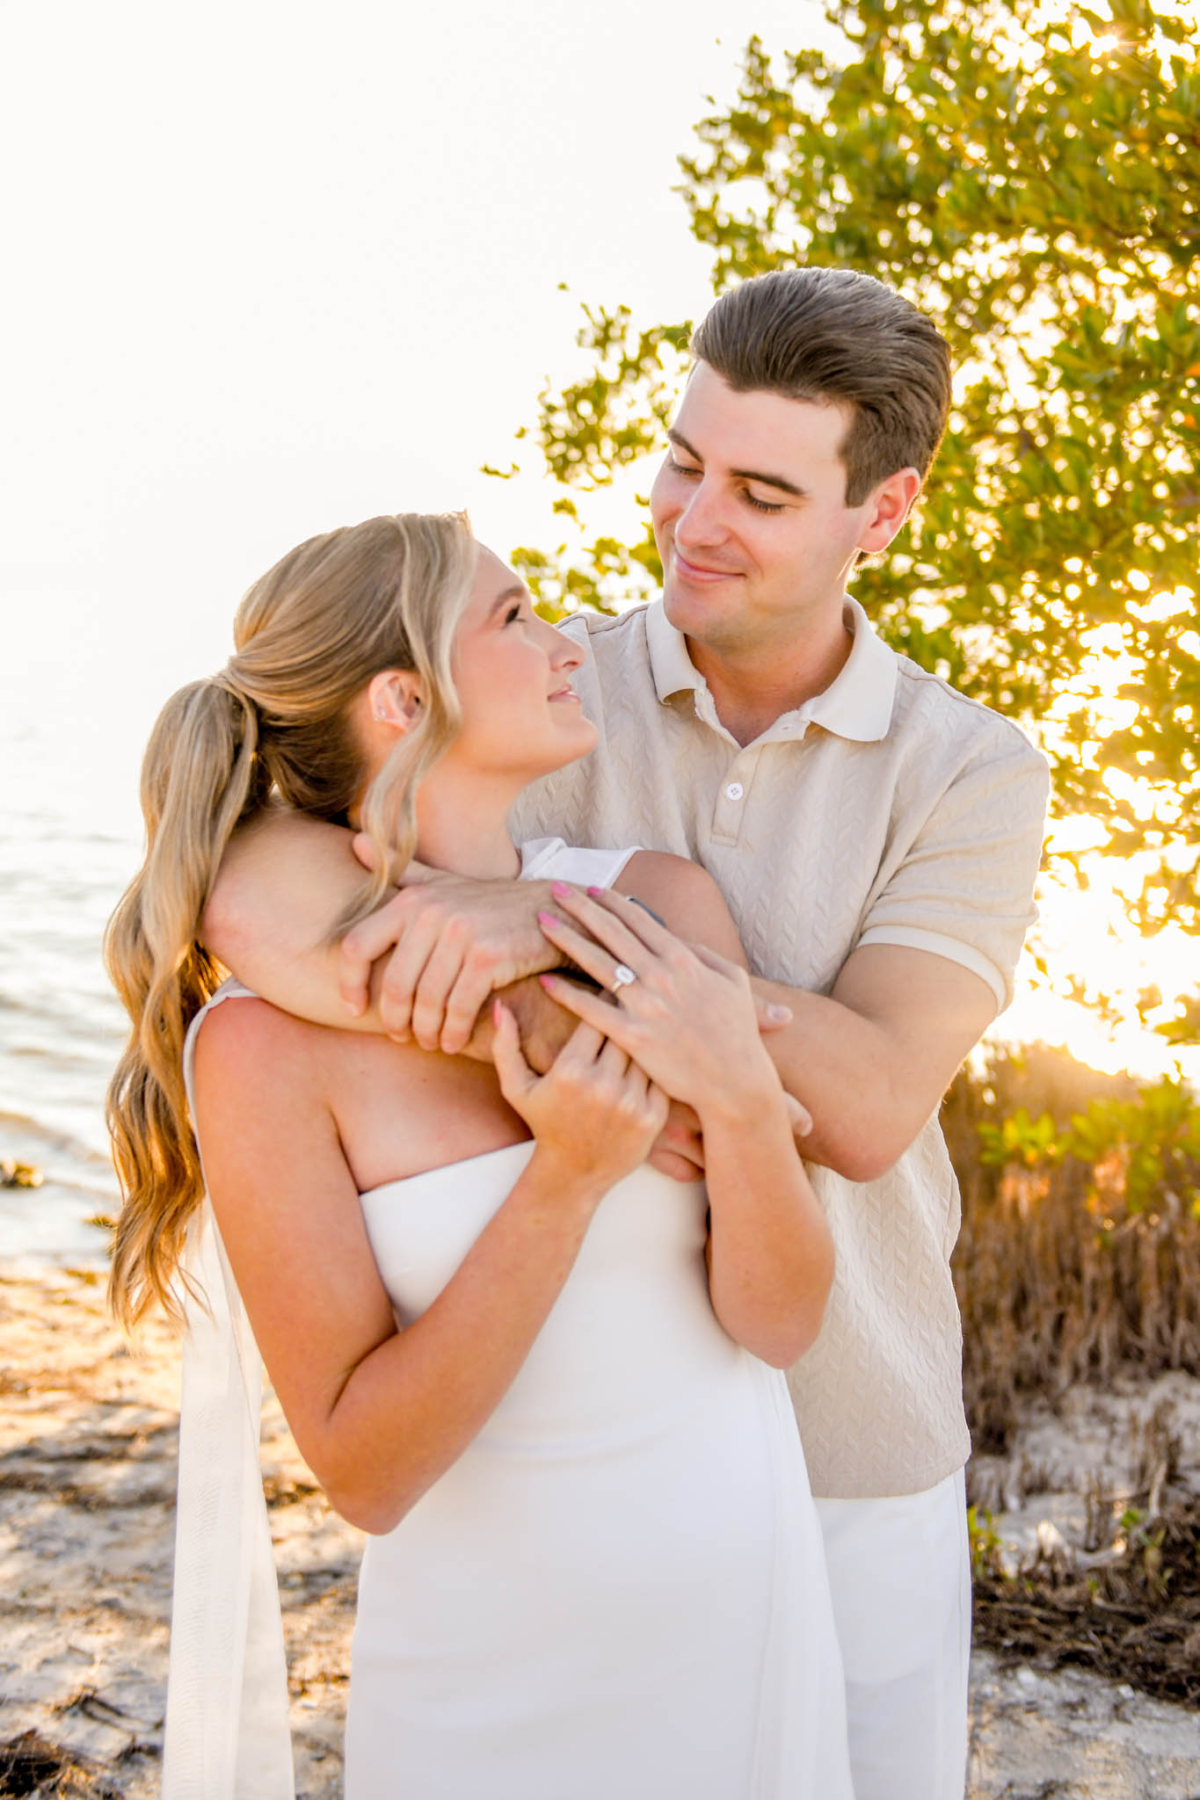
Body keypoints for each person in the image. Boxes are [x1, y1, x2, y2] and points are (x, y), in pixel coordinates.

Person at [206, 267, 1052, 1800]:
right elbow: (255, 882)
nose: (691, 519)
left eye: (762, 492)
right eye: (683, 462)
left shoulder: (968, 772)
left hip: (850, 1445)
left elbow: (864, 1103)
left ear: (884, 513)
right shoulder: (551, 693)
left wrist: (582, 942)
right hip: (552, 1460)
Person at [104, 510, 854, 1800]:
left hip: (732, 1611)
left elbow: (780, 1327)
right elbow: (365, 1474)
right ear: (404, 698)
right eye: (513, 617)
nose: (567, 643)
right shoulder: (264, 1048)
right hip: (482, 1669)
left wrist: (738, 1097)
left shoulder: (656, 905)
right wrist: (563, 1181)